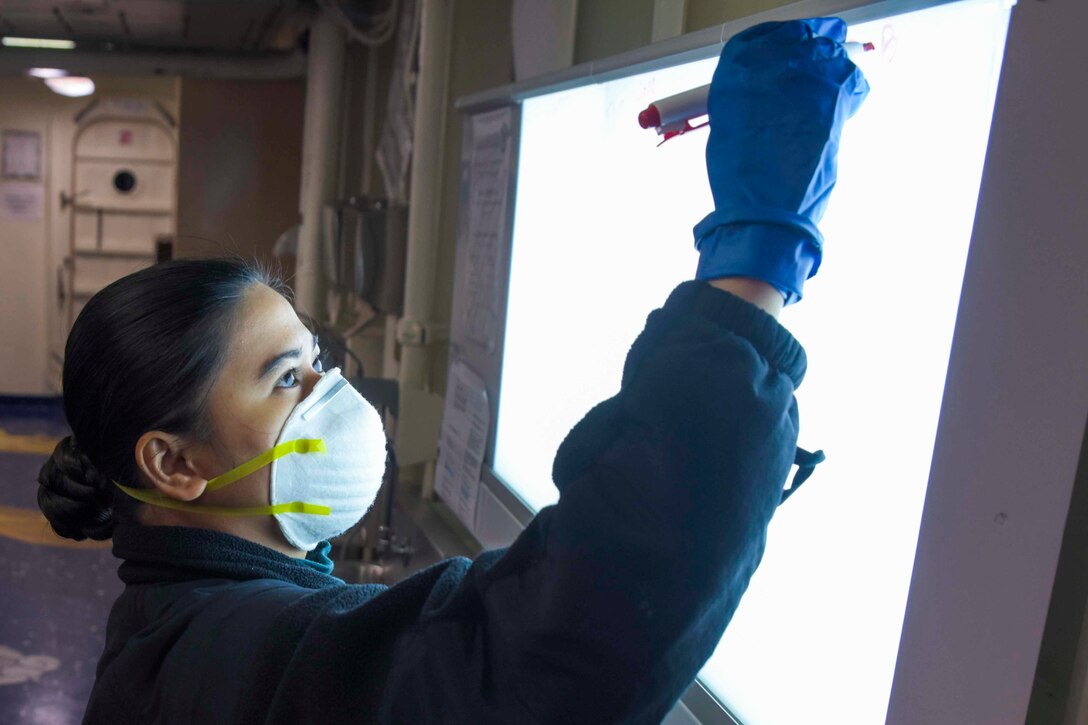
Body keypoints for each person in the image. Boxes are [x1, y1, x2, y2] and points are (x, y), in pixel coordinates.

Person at [37, 18, 867, 725]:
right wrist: (753, 266)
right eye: (285, 378)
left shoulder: (171, 622)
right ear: (173, 463)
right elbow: (554, 646)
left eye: (316, 360)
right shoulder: (238, 655)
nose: (332, 397)